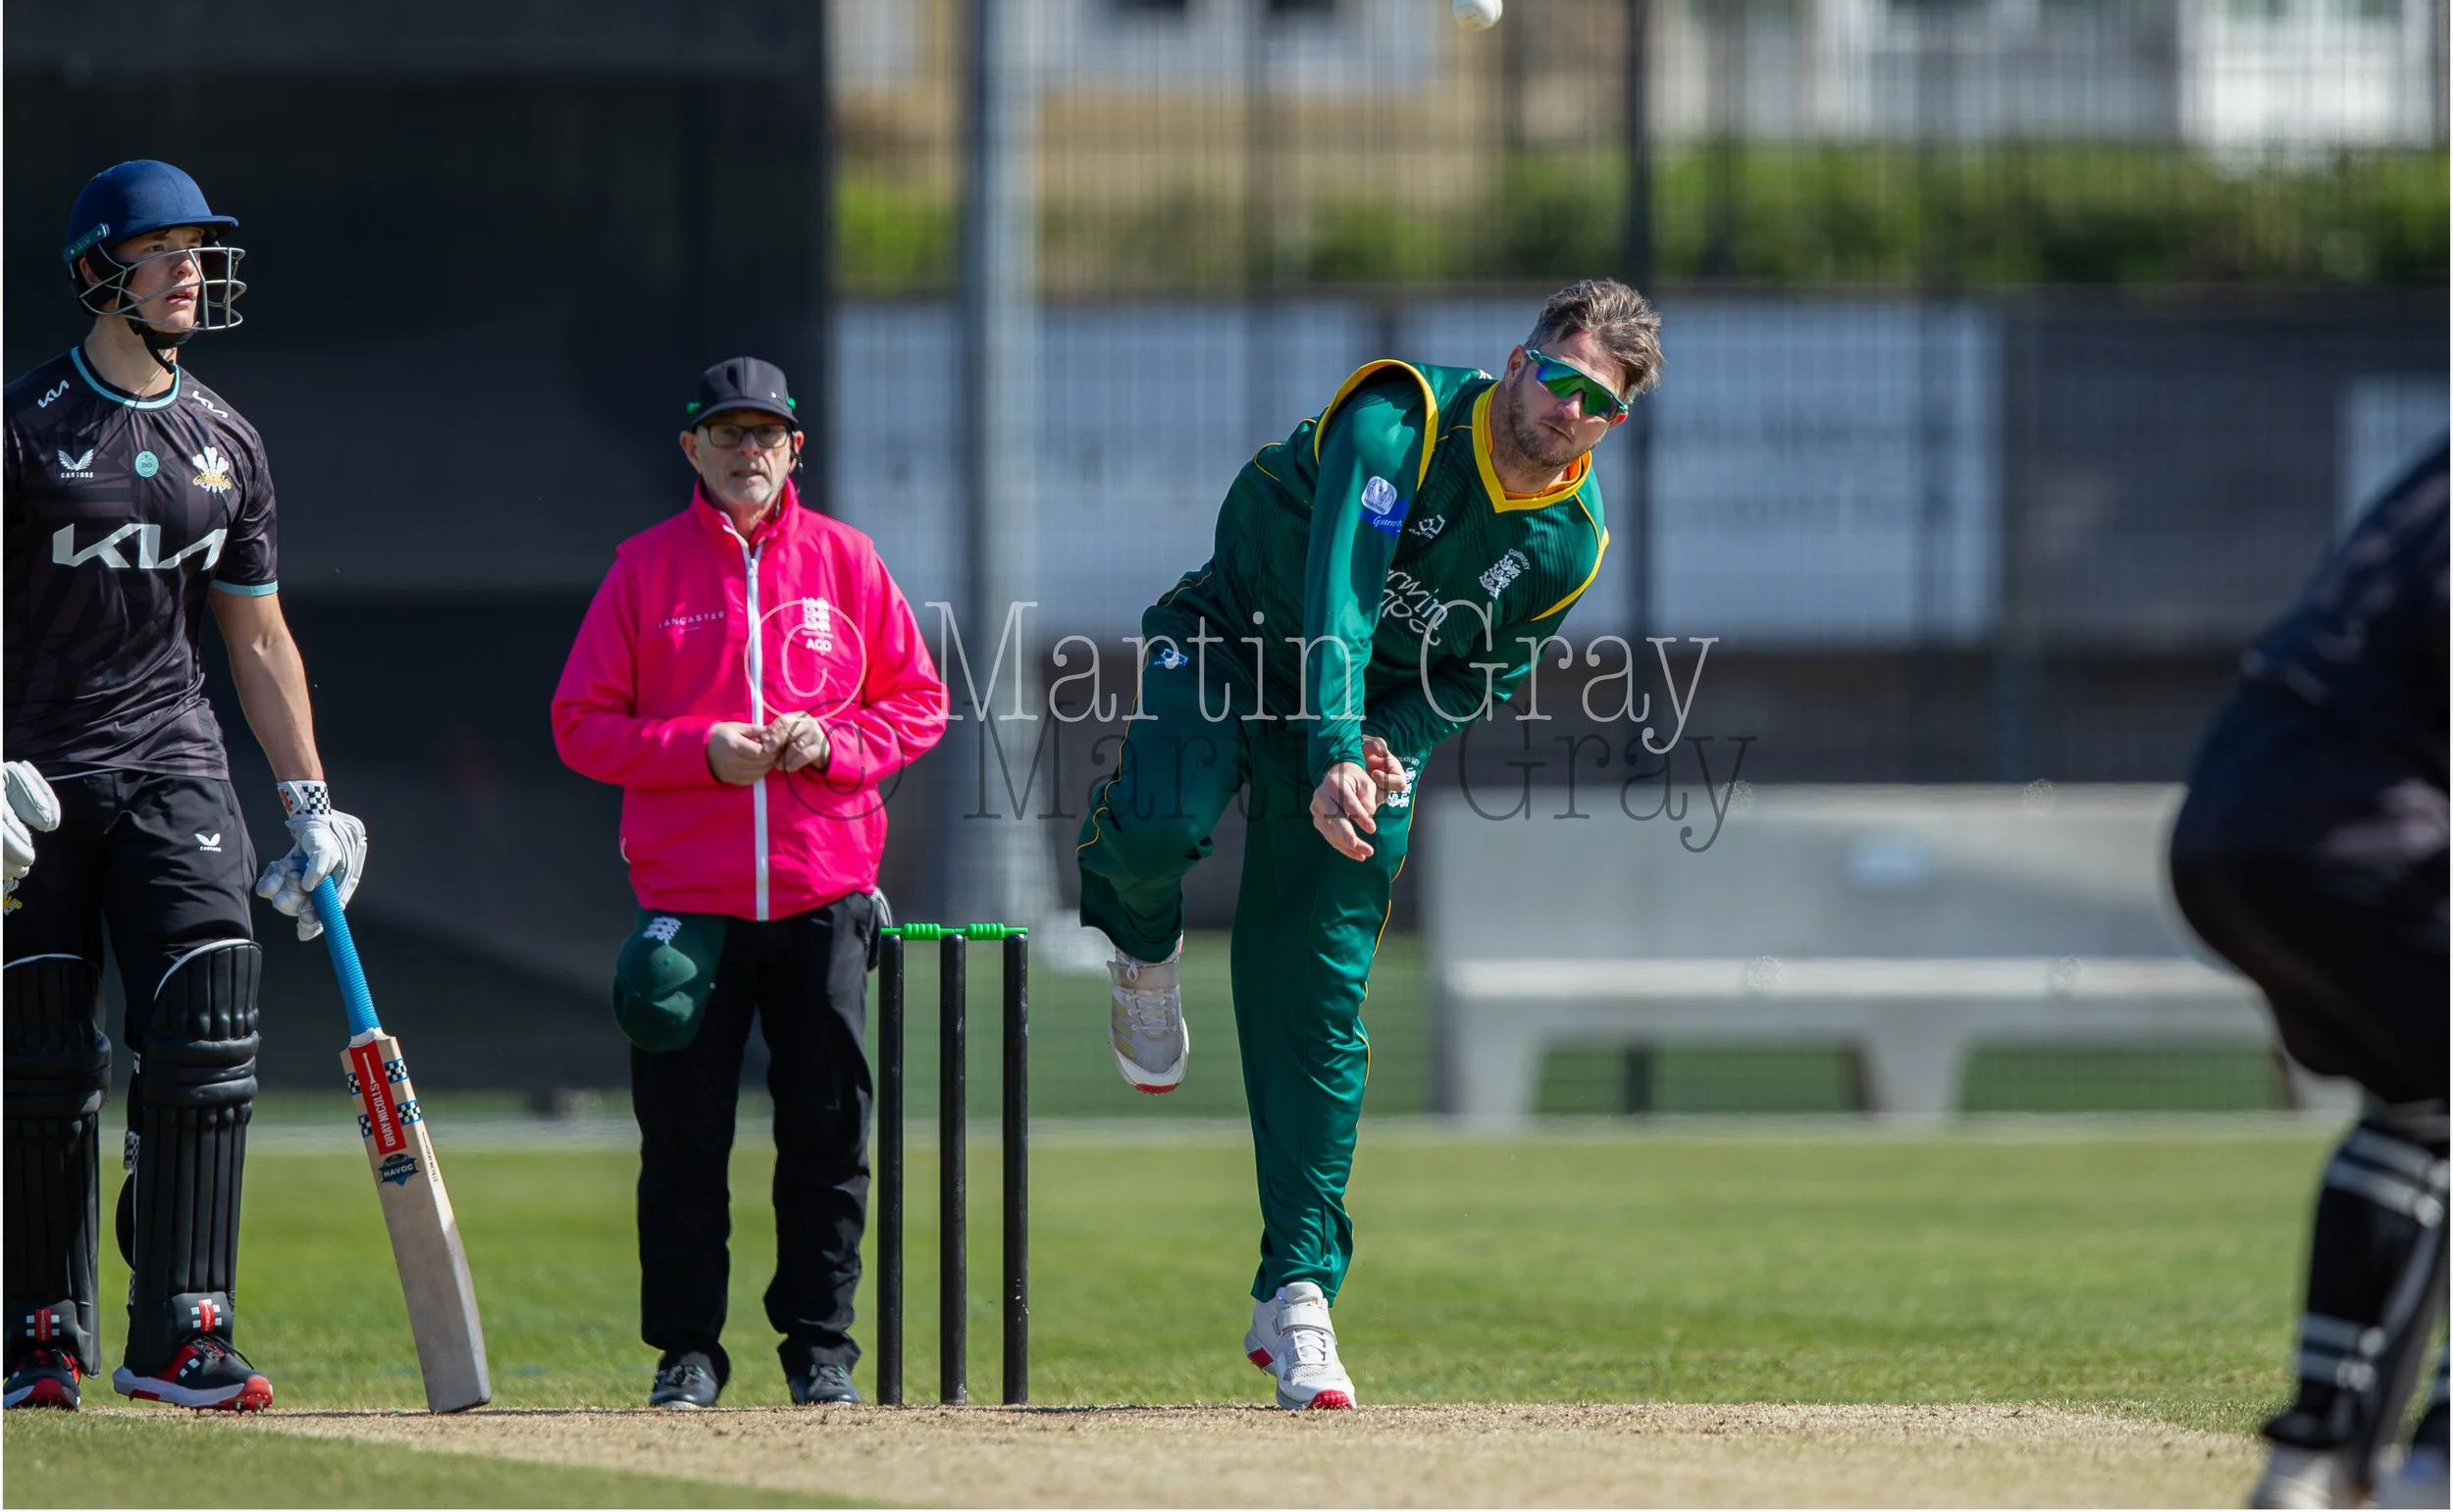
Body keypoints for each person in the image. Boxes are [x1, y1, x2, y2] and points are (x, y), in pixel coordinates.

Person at [1076, 279, 1663, 1410]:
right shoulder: (1400, 417)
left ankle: (1297, 1292)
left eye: (1598, 403)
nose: (1567, 412)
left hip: (1359, 731)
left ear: (1615, 421)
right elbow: (1342, 589)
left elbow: (1473, 674)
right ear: (1517, 358)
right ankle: (1141, 952)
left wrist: (1381, 745)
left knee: (1317, 1001)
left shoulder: (1568, 544)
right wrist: (1337, 734)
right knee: (1157, 816)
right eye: (1557, 376)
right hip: (1237, 642)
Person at [3, 160, 368, 1412]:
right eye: (162, 250)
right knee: (40, 1048)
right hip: (32, 779)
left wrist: (311, 800)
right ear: (99, 268)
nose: (189, 273)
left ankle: (182, 1333)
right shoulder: (23, 422)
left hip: (176, 763)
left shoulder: (227, 444)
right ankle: (36, 1335)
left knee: (211, 1010)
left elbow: (257, 639)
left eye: (199, 251)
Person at [551, 355, 947, 1410]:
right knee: (684, 1143)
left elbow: (919, 704)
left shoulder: (847, 561)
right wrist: (702, 749)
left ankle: (821, 1351)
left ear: (793, 448)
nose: (746, 451)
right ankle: (686, 1351)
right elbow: (580, 725)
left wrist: (832, 741)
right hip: (695, 905)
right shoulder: (644, 568)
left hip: (825, 893)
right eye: (725, 434)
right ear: (692, 448)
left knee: (827, 1133)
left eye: (764, 434)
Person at [2167, 442, 2447, 1508]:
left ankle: (2314, 1460)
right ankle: (2436, 1467)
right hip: (2354, 824)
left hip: (2228, 815)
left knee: (2419, 1110)